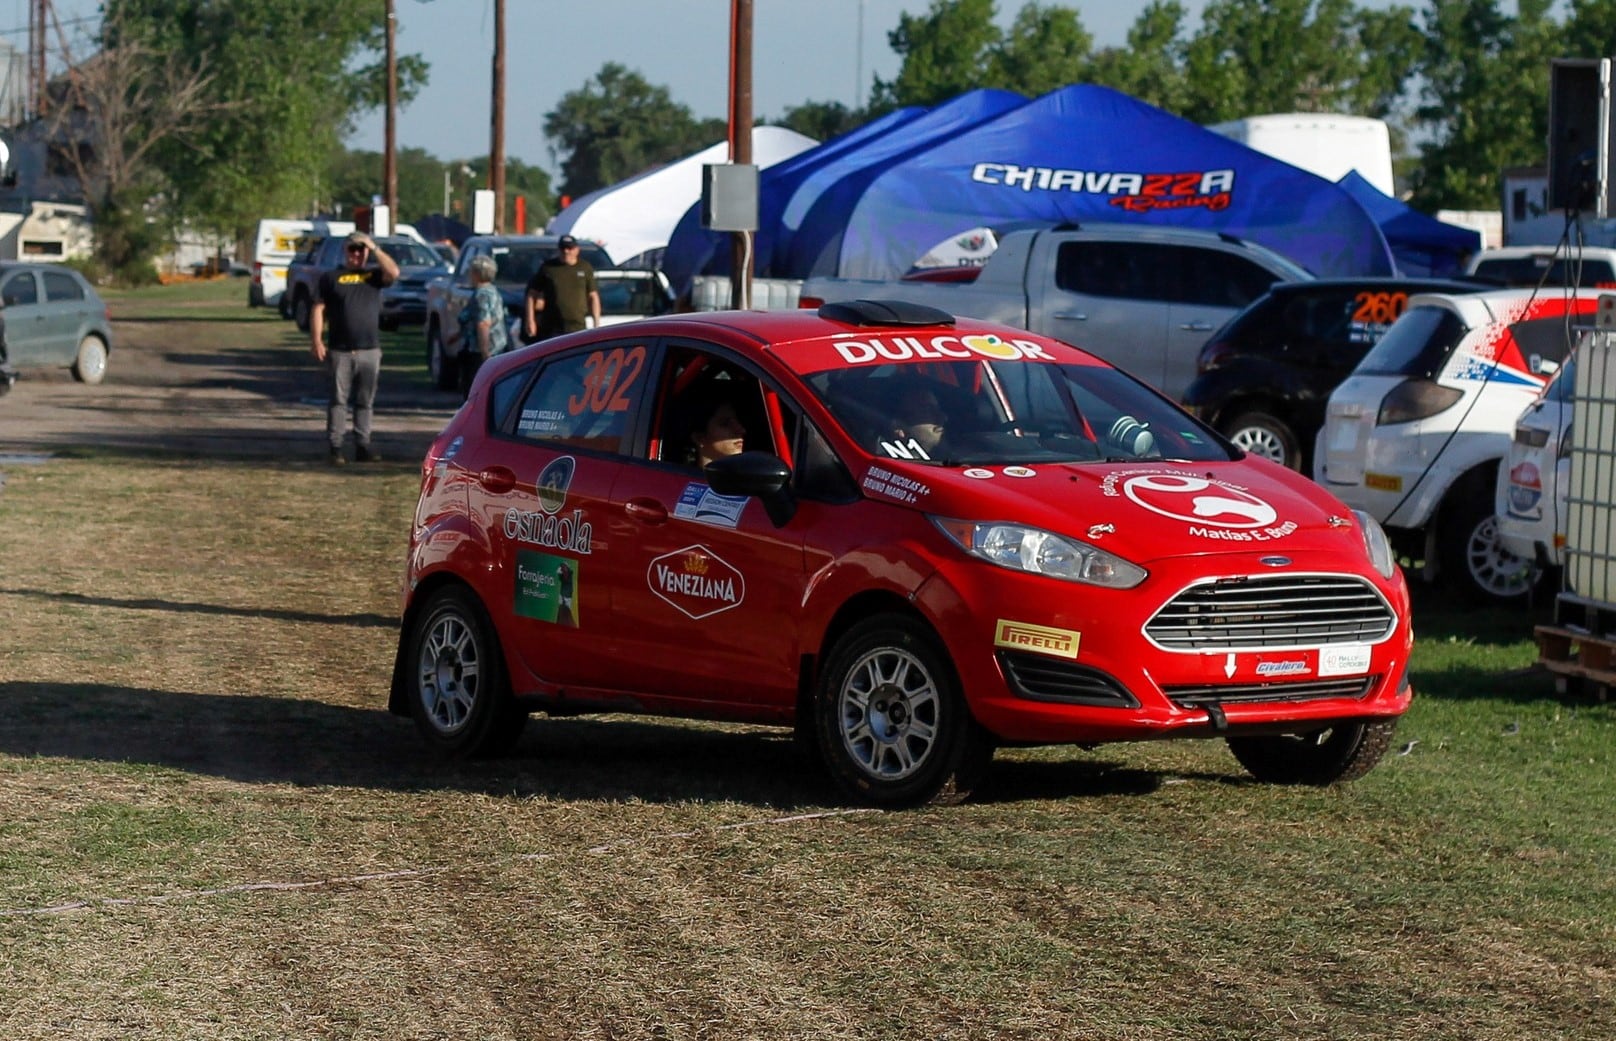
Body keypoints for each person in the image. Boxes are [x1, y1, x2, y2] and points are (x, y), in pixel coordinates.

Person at [311, 231, 399, 465]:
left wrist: (375, 248)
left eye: (362, 250)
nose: (357, 254)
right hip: (340, 349)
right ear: (345, 251)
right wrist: (317, 340)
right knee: (338, 400)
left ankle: (362, 444)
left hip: (369, 350)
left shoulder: (374, 275)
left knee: (365, 400)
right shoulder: (331, 277)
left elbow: (394, 272)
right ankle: (336, 446)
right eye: (353, 249)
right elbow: (318, 309)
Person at [524, 234, 600, 342]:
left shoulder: (585, 268)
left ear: (576, 250)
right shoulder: (548, 268)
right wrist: (530, 320)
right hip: (552, 327)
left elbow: (593, 296)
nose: (566, 251)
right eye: (563, 248)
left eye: (570, 248)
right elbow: (532, 294)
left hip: (577, 326)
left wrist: (596, 322)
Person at [457, 254, 508, 397]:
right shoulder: (493, 291)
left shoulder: (482, 295)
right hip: (496, 348)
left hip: (480, 351)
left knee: (474, 391)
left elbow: (483, 323)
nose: (469, 274)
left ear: (477, 273)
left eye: (471, 271)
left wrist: (485, 353)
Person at [682, 382, 748, 469]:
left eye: (737, 421)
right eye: (725, 424)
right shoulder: (678, 480)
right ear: (699, 438)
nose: (742, 430)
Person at [887, 383, 947, 458]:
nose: (943, 418)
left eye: (937, 410)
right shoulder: (877, 465)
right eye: (927, 410)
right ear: (898, 428)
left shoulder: (962, 464)